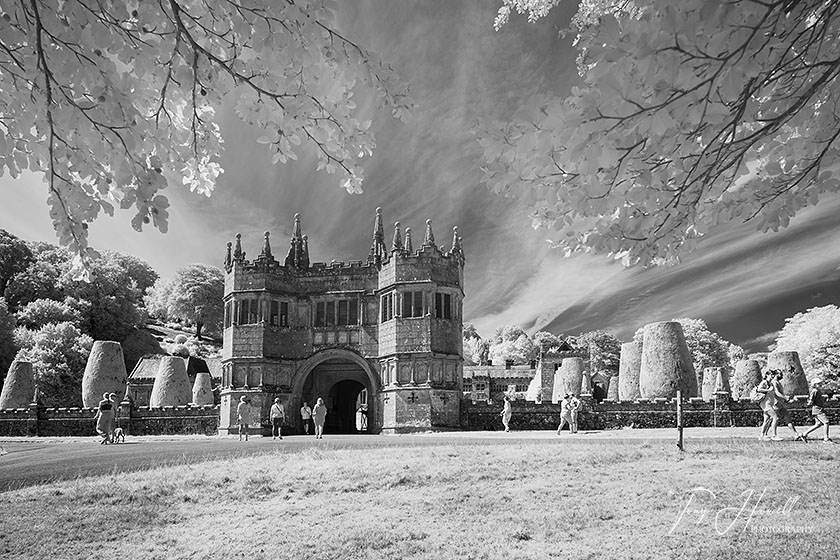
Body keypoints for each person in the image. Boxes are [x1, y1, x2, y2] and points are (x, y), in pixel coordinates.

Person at [770, 371, 806, 442]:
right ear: (776, 374)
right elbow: (777, 393)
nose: (782, 375)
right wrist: (786, 398)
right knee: (774, 419)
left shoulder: (778, 382)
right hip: (775, 404)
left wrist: (786, 400)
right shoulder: (774, 382)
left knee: (788, 418)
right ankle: (772, 435)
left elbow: (780, 394)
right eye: (780, 374)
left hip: (780, 404)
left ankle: (795, 434)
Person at [803, 378, 833, 443]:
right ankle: (826, 439)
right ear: (814, 384)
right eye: (818, 383)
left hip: (818, 409)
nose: (820, 384)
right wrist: (808, 403)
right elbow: (811, 400)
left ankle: (804, 434)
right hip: (818, 409)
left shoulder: (817, 391)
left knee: (818, 424)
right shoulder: (815, 391)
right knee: (826, 422)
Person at [755, 370, 778, 440]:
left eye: (773, 374)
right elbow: (759, 389)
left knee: (766, 420)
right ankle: (774, 435)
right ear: (767, 375)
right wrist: (768, 390)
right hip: (766, 404)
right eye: (771, 374)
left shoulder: (770, 383)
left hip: (769, 403)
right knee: (775, 418)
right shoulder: (764, 382)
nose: (773, 376)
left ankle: (762, 436)